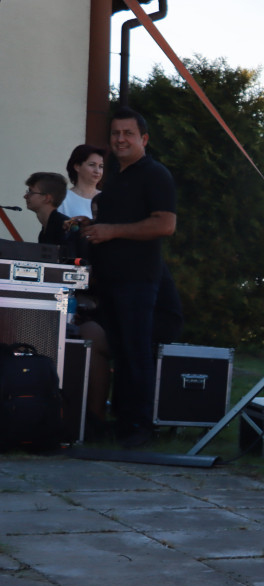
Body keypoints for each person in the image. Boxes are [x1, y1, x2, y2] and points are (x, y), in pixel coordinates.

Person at [82, 107, 176, 448]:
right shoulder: (116, 177)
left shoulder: (155, 174)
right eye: (115, 134)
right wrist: (89, 228)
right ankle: (121, 424)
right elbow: (115, 227)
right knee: (120, 351)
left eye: (128, 134)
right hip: (111, 280)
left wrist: (111, 231)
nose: (120, 139)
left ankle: (140, 427)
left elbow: (165, 224)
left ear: (144, 139)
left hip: (139, 280)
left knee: (136, 352)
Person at [58, 144, 105, 220]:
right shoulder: (63, 199)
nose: (97, 171)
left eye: (101, 166)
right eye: (92, 165)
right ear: (77, 167)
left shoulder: (107, 198)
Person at [24, 172, 70, 247]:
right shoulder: (46, 230)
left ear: (46, 198)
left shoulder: (64, 227)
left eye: (31, 192)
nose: (25, 196)